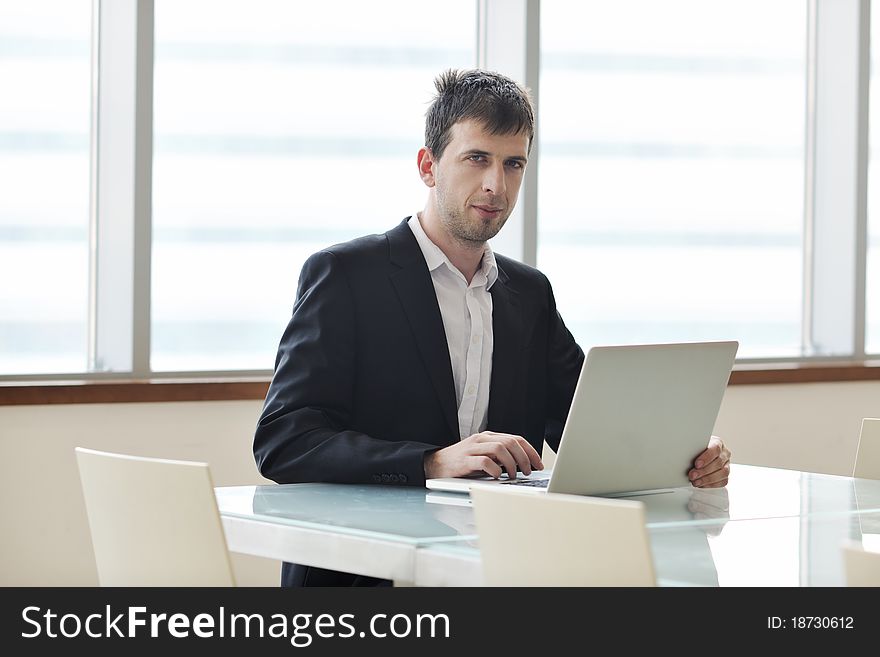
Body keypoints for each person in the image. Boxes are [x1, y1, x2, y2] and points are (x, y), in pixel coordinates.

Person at [253, 68, 732, 587]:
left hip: (499, 573)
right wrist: (432, 462)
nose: (495, 185)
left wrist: (684, 451)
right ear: (428, 166)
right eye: (477, 158)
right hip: (366, 576)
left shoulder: (529, 294)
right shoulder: (346, 275)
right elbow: (284, 441)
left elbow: (594, 426)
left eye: (513, 164)